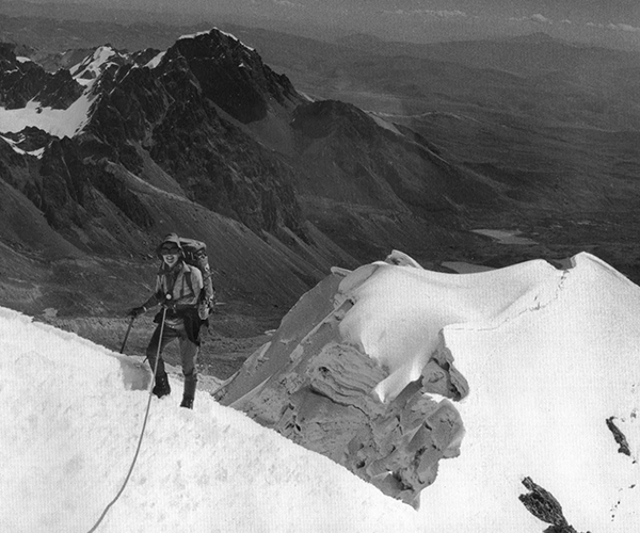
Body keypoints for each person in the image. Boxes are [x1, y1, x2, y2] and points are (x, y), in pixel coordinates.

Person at [128, 233, 204, 409]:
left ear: (179, 252)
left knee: (188, 366)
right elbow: (159, 296)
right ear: (161, 253)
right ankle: (162, 386)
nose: (169, 254)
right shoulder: (162, 273)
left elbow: (197, 297)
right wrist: (143, 308)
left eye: (173, 250)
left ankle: (188, 401)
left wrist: (174, 302)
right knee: (152, 352)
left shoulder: (194, 273)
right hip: (169, 319)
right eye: (165, 250)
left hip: (188, 322)